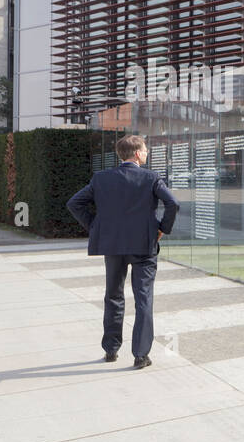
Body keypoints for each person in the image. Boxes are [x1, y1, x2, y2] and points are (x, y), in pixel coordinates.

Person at [66, 134, 180, 369]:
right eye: (146, 150)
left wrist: (97, 227)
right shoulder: (151, 178)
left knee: (113, 297)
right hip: (144, 247)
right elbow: (173, 203)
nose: (147, 153)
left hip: (113, 246)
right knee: (143, 299)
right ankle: (140, 355)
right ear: (137, 153)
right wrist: (162, 229)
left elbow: (74, 203)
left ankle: (111, 349)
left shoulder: (101, 179)